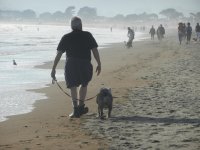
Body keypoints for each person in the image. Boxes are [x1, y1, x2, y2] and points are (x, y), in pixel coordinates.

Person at [51, 16, 101, 118]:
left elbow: (59, 54)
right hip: (85, 63)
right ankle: (81, 107)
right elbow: (94, 50)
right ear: (81, 25)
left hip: (71, 64)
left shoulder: (66, 37)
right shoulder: (87, 35)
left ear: (71, 26)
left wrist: (53, 68)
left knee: (72, 86)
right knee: (84, 84)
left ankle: (75, 110)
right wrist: (99, 63)